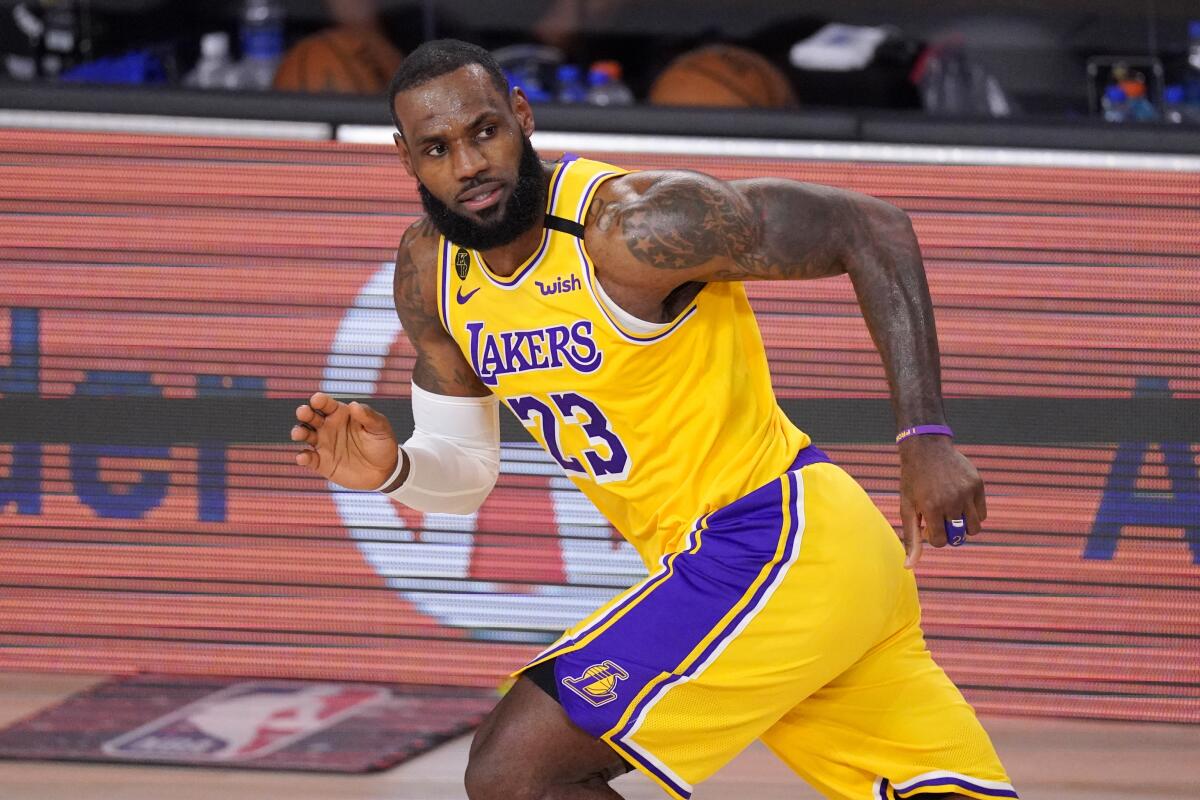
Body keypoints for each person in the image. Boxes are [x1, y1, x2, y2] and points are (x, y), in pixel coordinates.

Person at [290, 38, 1017, 800]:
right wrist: (392, 470)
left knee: (515, 771)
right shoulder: (432, 273)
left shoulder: (629, 229)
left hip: (773, 540)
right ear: (407, 160)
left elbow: (873, 229)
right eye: (438, 148)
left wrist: (925, 436)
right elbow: (464, 471)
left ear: (521, 117)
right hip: (793, 568)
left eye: (483, 132)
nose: (468, 164)